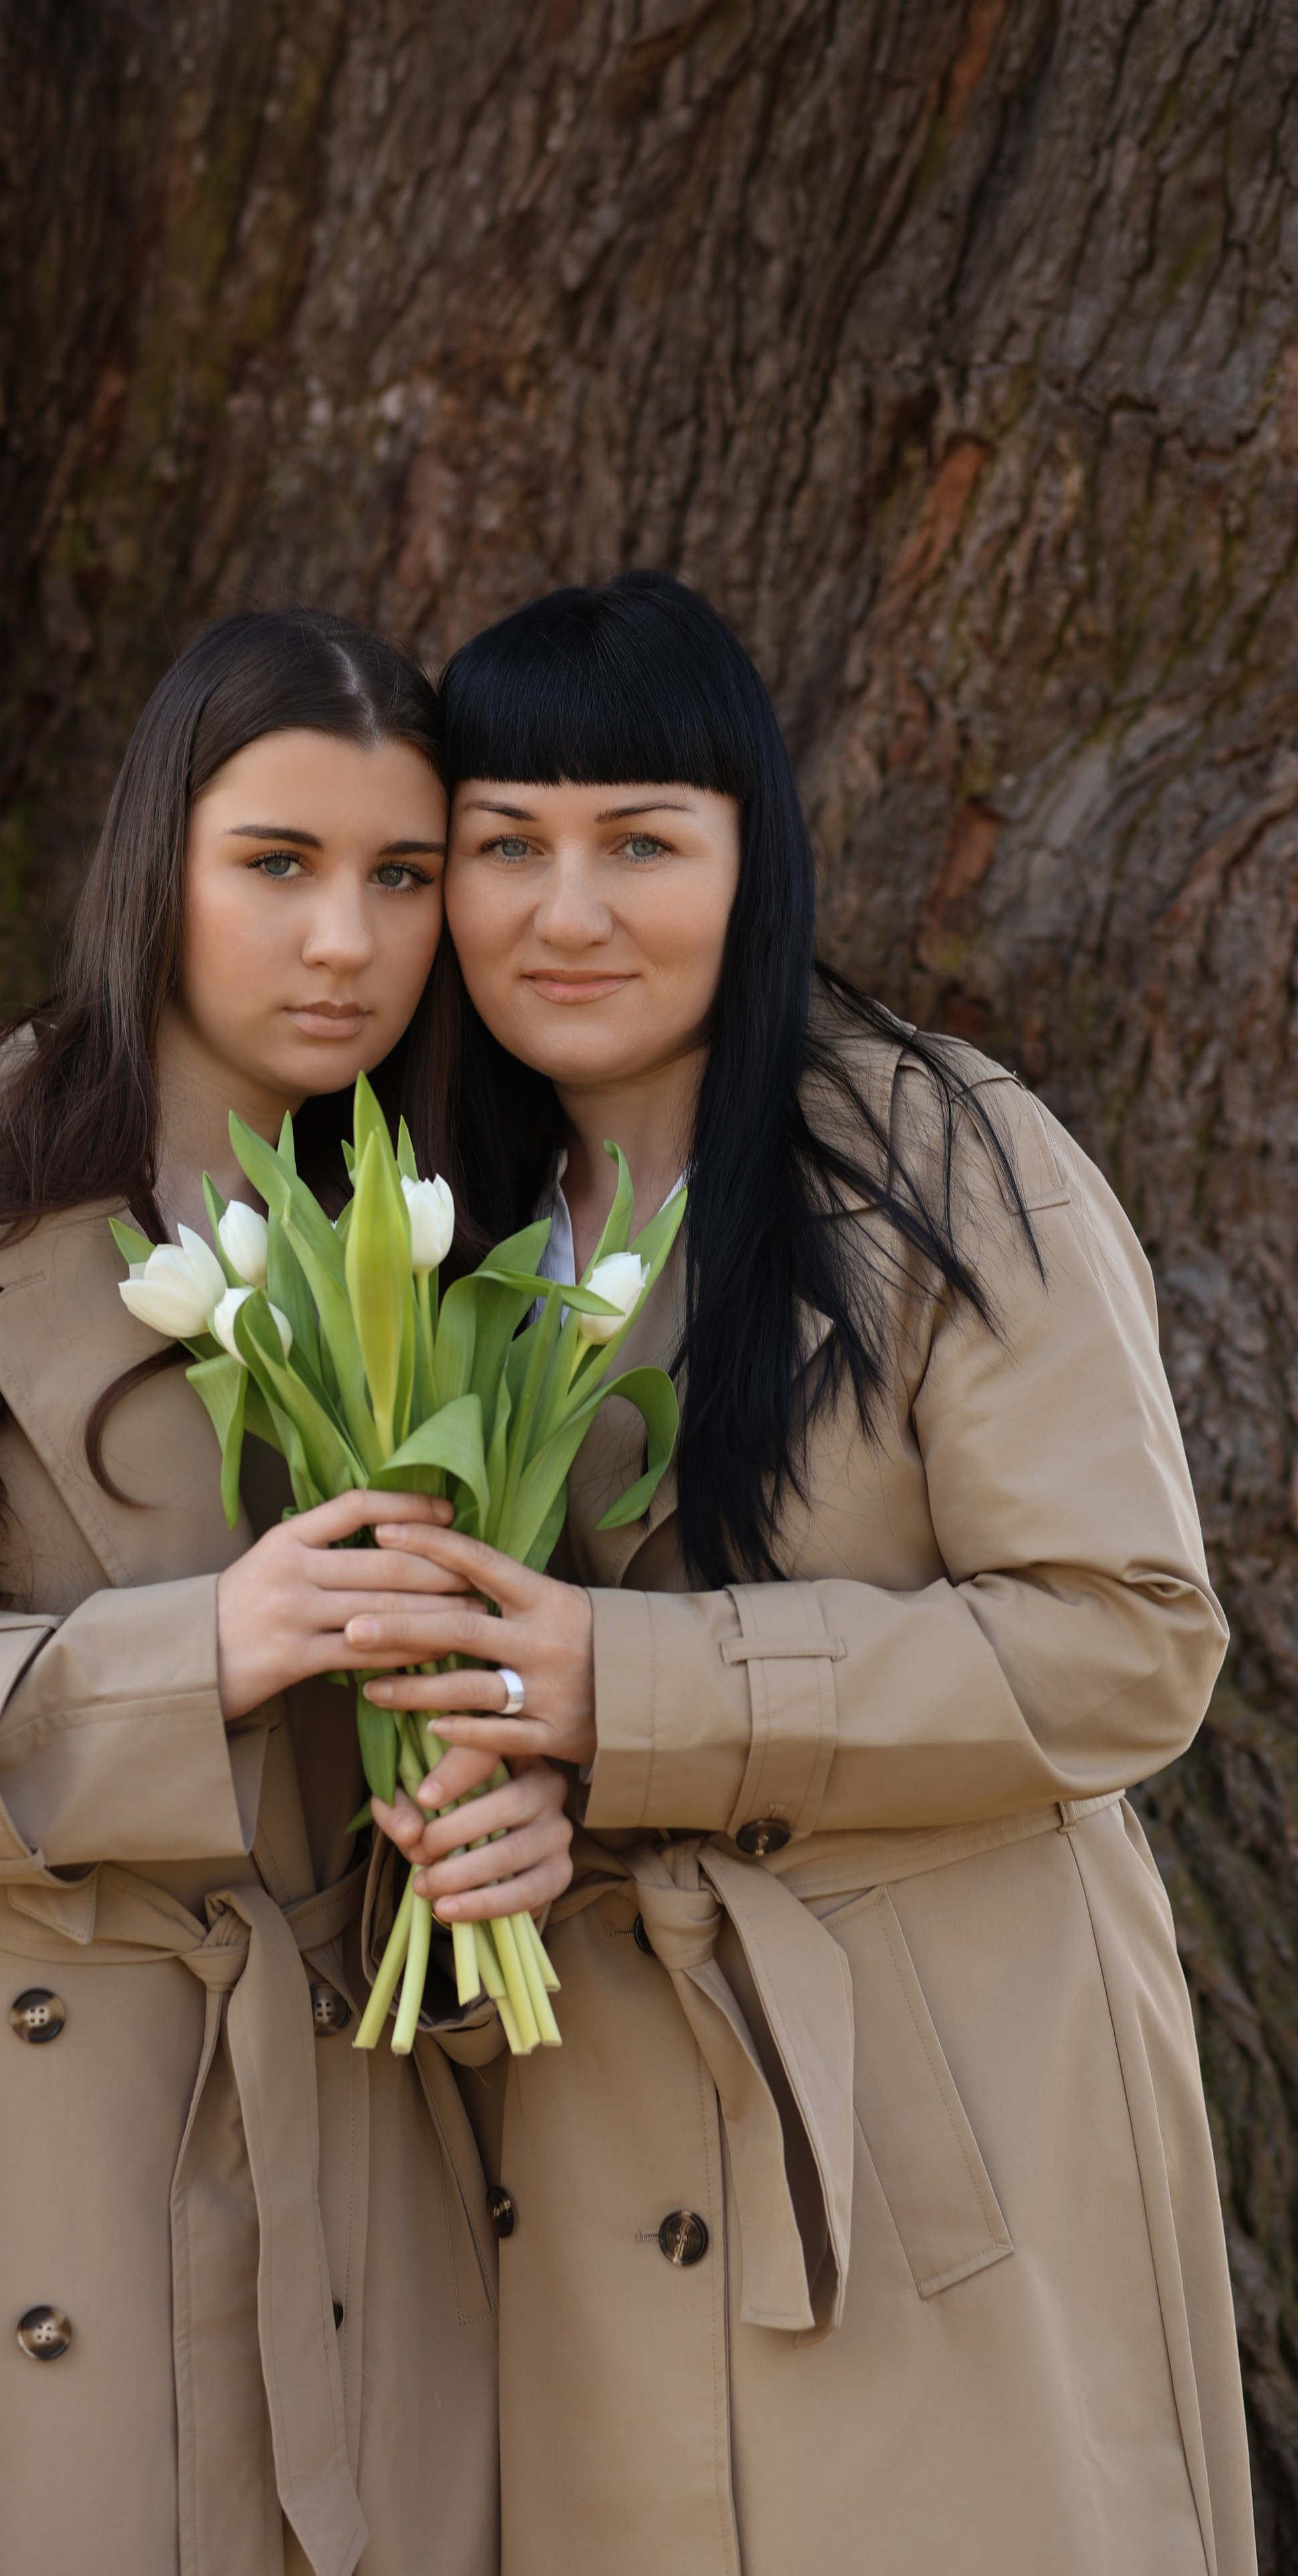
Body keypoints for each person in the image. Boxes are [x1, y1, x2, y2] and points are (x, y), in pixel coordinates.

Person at [0, 608, 572, 2576]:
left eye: (404, 877)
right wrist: (171, 1670)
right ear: (160, 865)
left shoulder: (463, 1255)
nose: (348, 941)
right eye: (280, 866)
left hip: (348, 2184)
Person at [356, 571, 1257, 2575]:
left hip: (937, 2148)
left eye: (642, 845)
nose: (565, 911)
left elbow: (1124, 1647)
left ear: (754, 861)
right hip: (562, 2150)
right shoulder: (404, 1225)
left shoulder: (941, 1159)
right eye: (507, 845)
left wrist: (635, 1695)